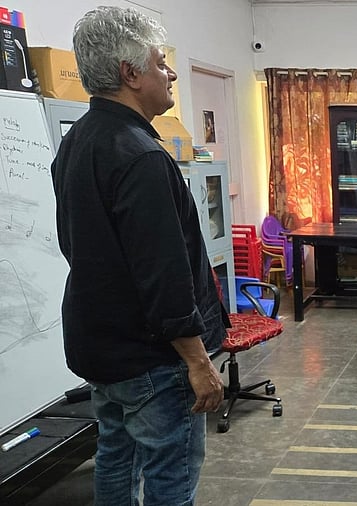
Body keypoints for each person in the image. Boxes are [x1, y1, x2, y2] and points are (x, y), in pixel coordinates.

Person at [50, 7, 226, 505]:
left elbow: (75, 246)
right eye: (161, 62)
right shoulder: (142, 156)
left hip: (102, 348)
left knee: (116, 458)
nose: (171, 73)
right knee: (169, 475)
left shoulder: (77, 142)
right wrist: (198, 362)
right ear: (130, 73)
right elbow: (164, 275)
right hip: (153, 358)